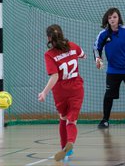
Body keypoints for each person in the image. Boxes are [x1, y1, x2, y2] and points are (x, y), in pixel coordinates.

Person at [38, 24, 86, 161]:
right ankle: (70, 144)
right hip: (76, 88)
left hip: (60, 91)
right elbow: (83, 55)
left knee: (63, 117)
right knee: (72, 120)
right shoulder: (72, 46)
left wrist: (44, 92)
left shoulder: (49, 54)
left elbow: (55, 76)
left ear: (48, 38)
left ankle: (64, 147)